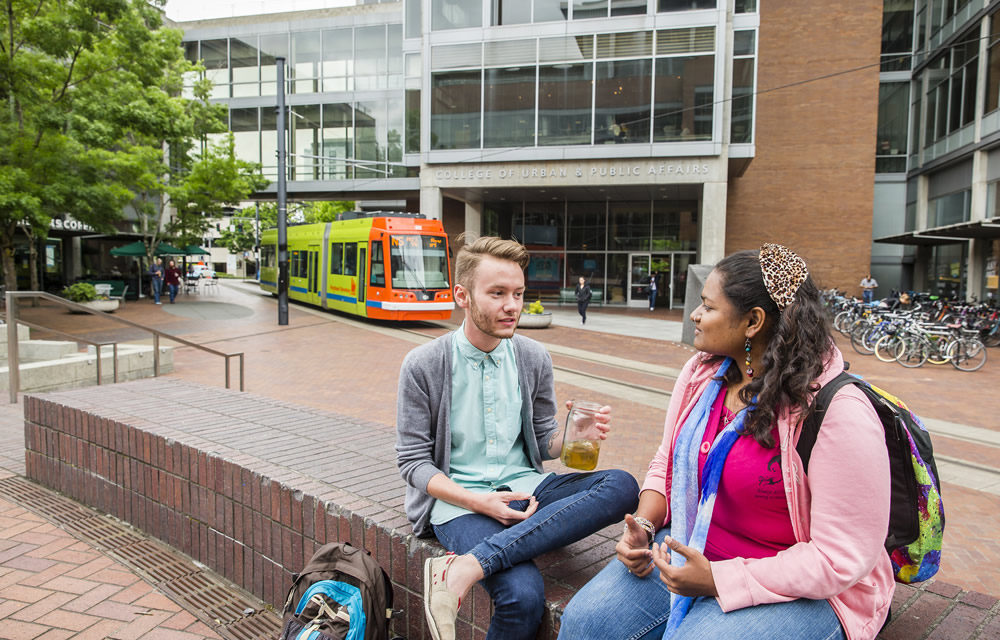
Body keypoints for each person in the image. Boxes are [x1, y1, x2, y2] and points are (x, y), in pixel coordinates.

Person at [559, 244, 893, 640]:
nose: (695, 316)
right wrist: (645, 525)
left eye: (707, 306)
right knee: (585, 624)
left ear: (752, 321)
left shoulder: (838, 410)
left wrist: (719, 579)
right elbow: (668, 460)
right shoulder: (703, 374)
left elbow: (840, 558)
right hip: (692, 547)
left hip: (807, 587)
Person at [395, 236, 639, 640]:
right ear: (463, 295)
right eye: (497, 293)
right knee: (523, 597)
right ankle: (497, 549)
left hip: (528, 487)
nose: (512, 306)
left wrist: (574, 433)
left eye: (519, 293)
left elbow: (544, 441)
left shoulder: (532, 357)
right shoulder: (424, 364)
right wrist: (479, 501)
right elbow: (413, 463)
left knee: (622, 486)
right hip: (461, 502)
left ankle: (465, 568)